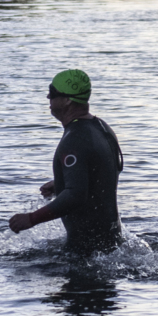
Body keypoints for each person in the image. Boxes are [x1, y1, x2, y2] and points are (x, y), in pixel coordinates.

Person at [8, 70, 125, 253]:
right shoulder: (101, 127)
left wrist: (31, 218)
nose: (48, 97)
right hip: (111, 243)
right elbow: (105, 171)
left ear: (68, 99)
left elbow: (75, 195)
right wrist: (62, 182)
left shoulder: (75, 138)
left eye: (53, 93)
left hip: (86, 251)